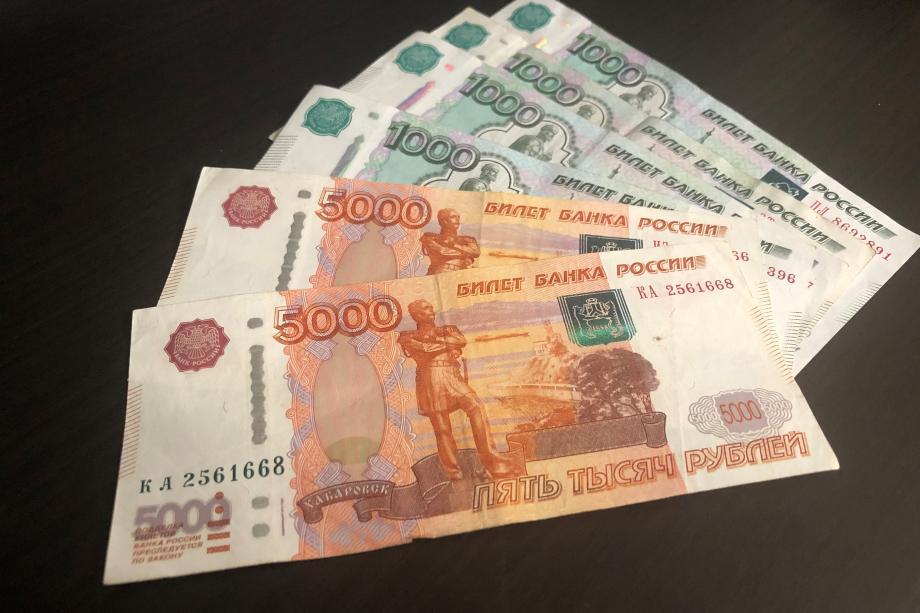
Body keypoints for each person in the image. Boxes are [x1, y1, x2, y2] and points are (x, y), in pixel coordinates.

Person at [398, 300, 519, 480]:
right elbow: (425, 348)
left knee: (476, 406)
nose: (431, 310)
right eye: (425, 308)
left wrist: (444, 344)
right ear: (416, 315)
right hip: (430, 379)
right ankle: (453, 473)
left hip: (452, 376)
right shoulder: (407, 336)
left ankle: (492, 460)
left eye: (431, 307)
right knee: (442, 428)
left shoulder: (448, 328)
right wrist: (448, 345)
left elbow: (461, 340)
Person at [420, 208, 480, 274]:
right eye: (453, 217)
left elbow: (476, 253)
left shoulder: (468, 239)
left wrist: (453, 245)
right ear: (444, 221)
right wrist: (467, 253)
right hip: (441, 272)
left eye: (458, 217)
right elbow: (442, 252)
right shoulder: (430, 237)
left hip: (462, 273)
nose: (457, 219)